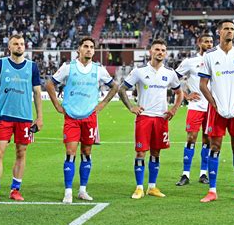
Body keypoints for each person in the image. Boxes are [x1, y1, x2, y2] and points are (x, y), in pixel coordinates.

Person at [46, 37, 119, 204]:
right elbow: (50, 84)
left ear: (94, 50)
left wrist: (103, 104)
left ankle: (83, 190)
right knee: (70, 153)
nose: (89, 49)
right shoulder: (68, 68)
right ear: (79, 49)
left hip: (89, 118)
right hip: (71, 117)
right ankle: (68, 192)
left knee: (86, 153)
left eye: (91, 47)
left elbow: (114, 86)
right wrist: (57, 105)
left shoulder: (98, 69)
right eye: (85, 46)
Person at [118, 38, 183, 199]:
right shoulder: (139, 71)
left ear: (165, 53)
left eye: (163, 50)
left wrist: (174, 109)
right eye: (157, 49)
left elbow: (180, 92)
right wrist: (131, 107)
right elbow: (122, 89)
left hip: (161, 118)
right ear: (150, 52)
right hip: (144, 117)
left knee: (156, 153)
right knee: (141, 152)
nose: (160, 52)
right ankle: (139, 187)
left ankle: (152, 187)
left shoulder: (169, 73)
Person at [198, 20, 234, 203]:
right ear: (219, 32)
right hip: (217, 110)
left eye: (232, 29)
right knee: (214, 147)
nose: (229, 31)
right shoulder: (209, 56)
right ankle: (212, 191)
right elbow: (203, 85)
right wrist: (213, 104)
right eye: (226, 29)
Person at [0, 34, 43, 204]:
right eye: (16, 44)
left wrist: (39, 117)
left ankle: (15, 189)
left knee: (21, 153)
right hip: (3, 116)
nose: (19, 46)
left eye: (22, 44)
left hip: (25, 117)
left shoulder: (32, 67)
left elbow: (37, 93)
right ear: (9, 47)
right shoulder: (0, 64)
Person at [175, 34, 213, 186]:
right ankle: (185, 174)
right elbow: (173, 78)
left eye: (211, 42)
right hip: (195, 106)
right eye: (206, 41)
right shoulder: (190, 62)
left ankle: (203, 173)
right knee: (191, 138)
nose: (209, 44)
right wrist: (185, 95)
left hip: (211, 107)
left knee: (208, 140)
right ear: (199, 43)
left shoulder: (217, 61)